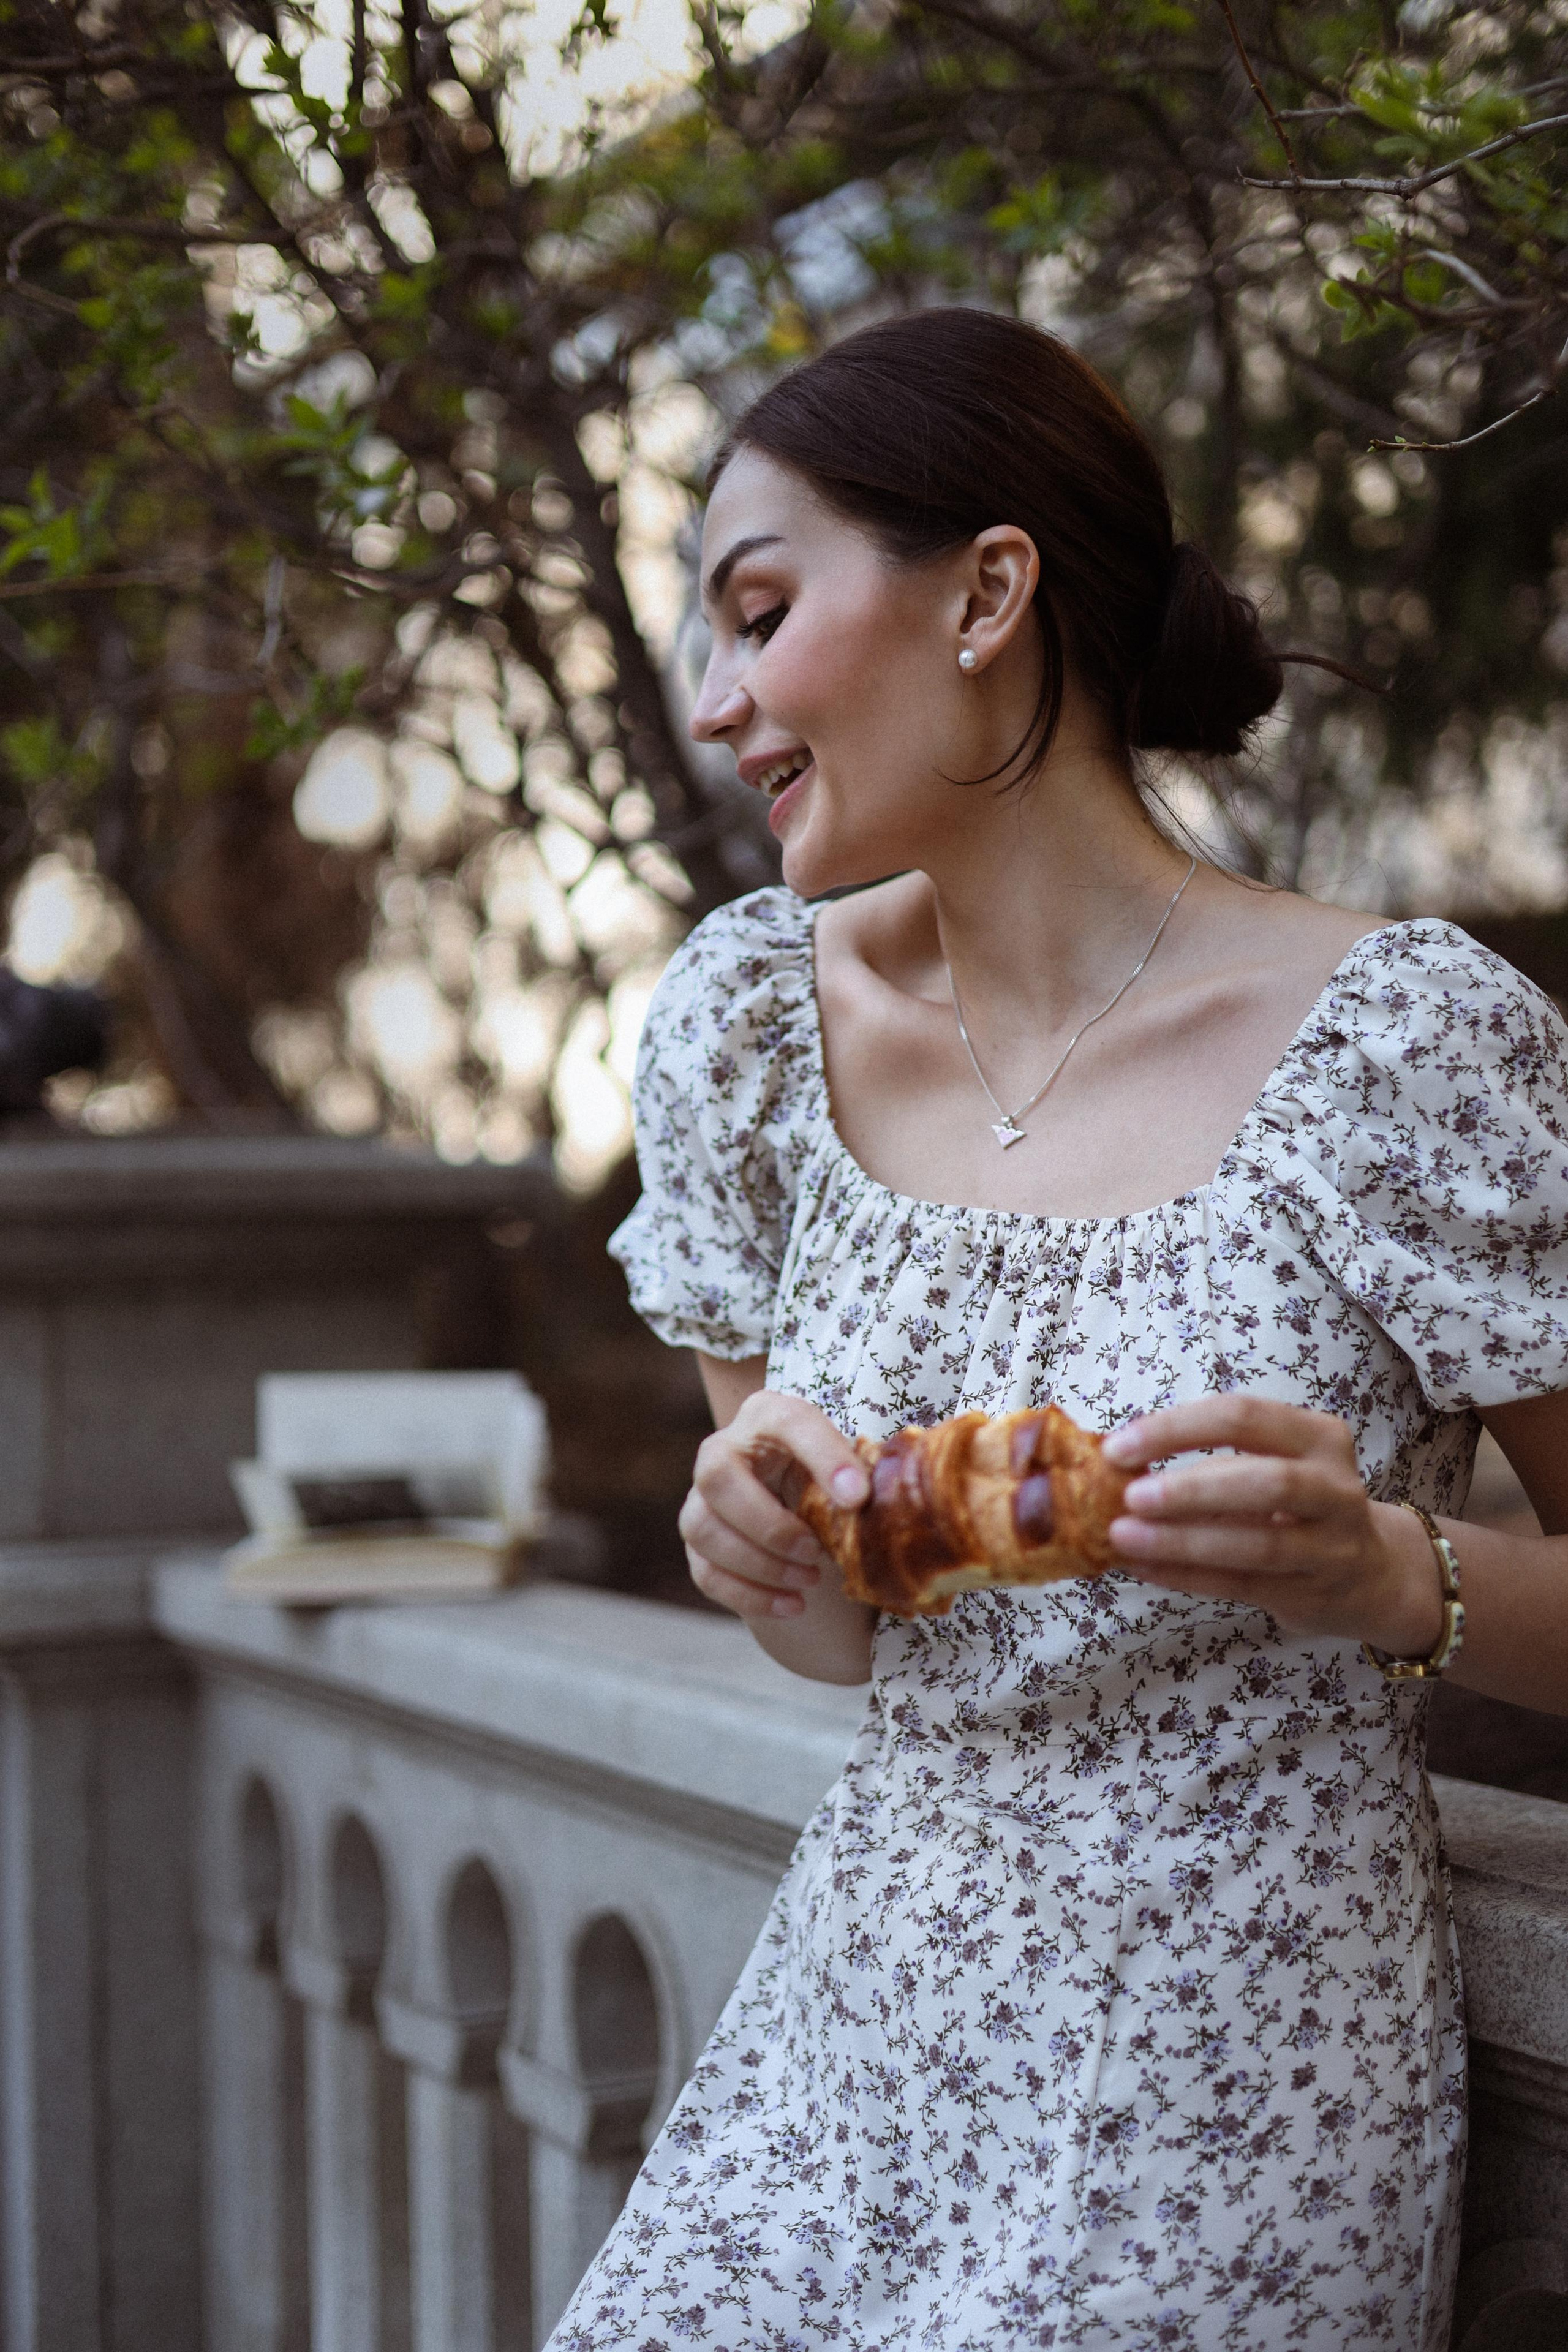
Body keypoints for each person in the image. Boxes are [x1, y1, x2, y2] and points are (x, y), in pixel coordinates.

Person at [547, 306, 1568, 2352]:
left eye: (760, 612)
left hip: (1231, 2081)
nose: (725, 703)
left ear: (989, 594)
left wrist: (1383, 1566)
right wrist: (759, 1543)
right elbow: (838, 1642)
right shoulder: (747, 1033)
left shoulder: (1408, 1049)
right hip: (846, 2036)